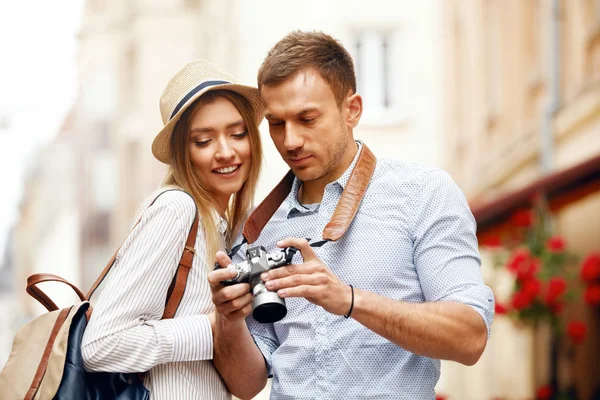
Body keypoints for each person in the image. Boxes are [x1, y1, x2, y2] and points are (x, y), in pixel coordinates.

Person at [208, 31, 495, 400]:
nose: (290, 141)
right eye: (276, 123)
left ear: (352, 110)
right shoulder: (258, 228)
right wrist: (228, 321)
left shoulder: (424, 193)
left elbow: (469, 337)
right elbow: (246, 386)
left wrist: (348, 299)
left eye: (307, 118)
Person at [81, 59, 263, 399]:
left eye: (238, 134)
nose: (226, 152)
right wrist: (210, 328)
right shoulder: (177, 209)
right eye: (203, 141)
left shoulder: (223, 229)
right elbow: (100, 344)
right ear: (183, 152)